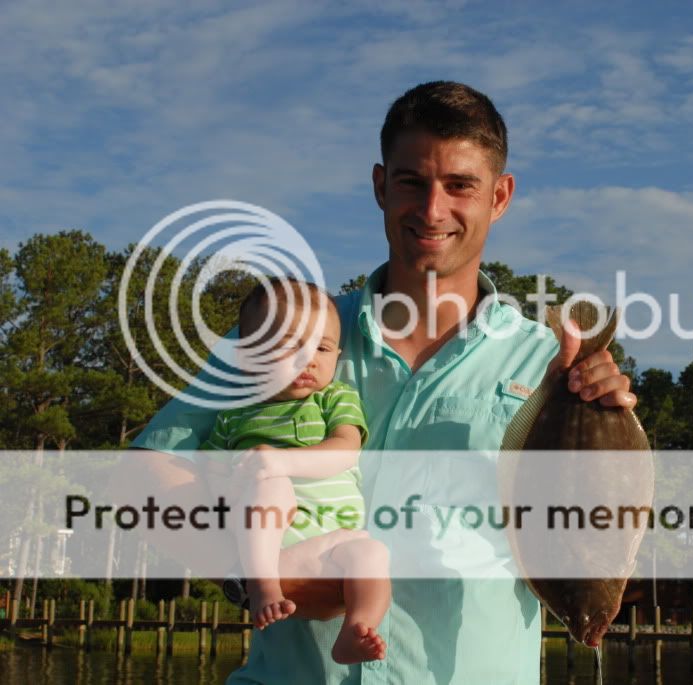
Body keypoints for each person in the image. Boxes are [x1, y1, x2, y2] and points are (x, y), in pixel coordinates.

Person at [120, 80, 636, 684]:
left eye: (460, 186)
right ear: (379, 186)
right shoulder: (285, 329)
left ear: (500, 196)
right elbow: (144, 475)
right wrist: (257, 576)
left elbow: (589, 525)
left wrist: (609, 419)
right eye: (412, 182)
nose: (433, 209)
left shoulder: (548, 363)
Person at [200, 277, 389, 664]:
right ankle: (265, 586)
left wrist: (281, 460)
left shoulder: (334, 397)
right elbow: (208, 475)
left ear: (338, 354)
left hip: (334, 540)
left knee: (371, 553)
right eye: (288, 349)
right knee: (271, 487)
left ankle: (357, 627)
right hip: (267, 543)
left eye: (322, 348)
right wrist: (244, 481)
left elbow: (346, 449)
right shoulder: (234, 414)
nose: (308, 360)